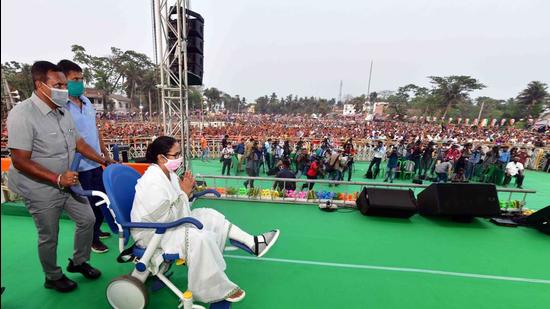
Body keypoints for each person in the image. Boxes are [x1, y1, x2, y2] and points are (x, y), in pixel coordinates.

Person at [131, 136, 280, 303]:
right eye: (176, 155)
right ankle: (215, 289)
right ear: (160, 157)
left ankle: (254, 243)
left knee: (209, 216)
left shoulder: (169, 175)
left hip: (169, 224)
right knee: (199, 238)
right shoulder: (152, 181)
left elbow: (177, 207)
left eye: (180, 154)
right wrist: (183, 194)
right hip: (151, 233)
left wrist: (186, 193)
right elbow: (160, 216)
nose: (180, 158)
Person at [7, 61, 112, 292]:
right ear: (40, 85)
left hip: (66, 182)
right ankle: (52, 276)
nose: (64, 89)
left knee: (88, 219)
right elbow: (20, 160)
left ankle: (79, 261)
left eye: (65, 84)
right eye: (58, 84)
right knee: (49, 234)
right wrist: (56, 179)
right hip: (39, 187)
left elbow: (79, 143)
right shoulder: (22, 114)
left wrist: (103, 159)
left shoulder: (63, 111)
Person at [58, 59, 115, 254]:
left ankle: (97, 230)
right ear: (64, 80)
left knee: (101, 200)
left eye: (82, 78)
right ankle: (92, 239)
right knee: (88, 205)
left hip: (96, 162)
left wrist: (104, 153)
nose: (80, 82)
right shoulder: (61, 107)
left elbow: (94, 129)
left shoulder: (86, 101)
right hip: (78, 166)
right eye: (75, 79)